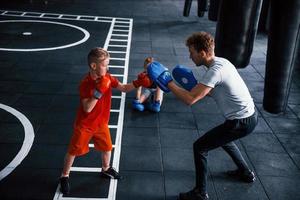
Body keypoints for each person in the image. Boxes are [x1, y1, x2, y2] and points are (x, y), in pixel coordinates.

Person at [147, 32, 258, 200]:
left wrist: (167, 81)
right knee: (225, 140)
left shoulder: (215, 71)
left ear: (203, 53)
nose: (190, 56)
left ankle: (201, 192)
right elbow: (211, 91)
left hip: (241, 121)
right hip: (249, 115)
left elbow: (190, 100)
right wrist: (194, 86)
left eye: (192, 52)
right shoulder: (222, 62)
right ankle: (245, 172)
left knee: (200, 147)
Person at [59, 47, 151, 195]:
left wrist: (137, 82)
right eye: (104, 65)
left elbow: (123, 88)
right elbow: (87, 108)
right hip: (85, 125)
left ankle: (106, 168)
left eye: (108, 64)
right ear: (93, 66)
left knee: (107, 147)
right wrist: (99, 91)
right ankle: (64, 176)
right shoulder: (85, 83)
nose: (107, 68)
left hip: (101, 123)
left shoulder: (108, 77)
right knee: (73, 151)